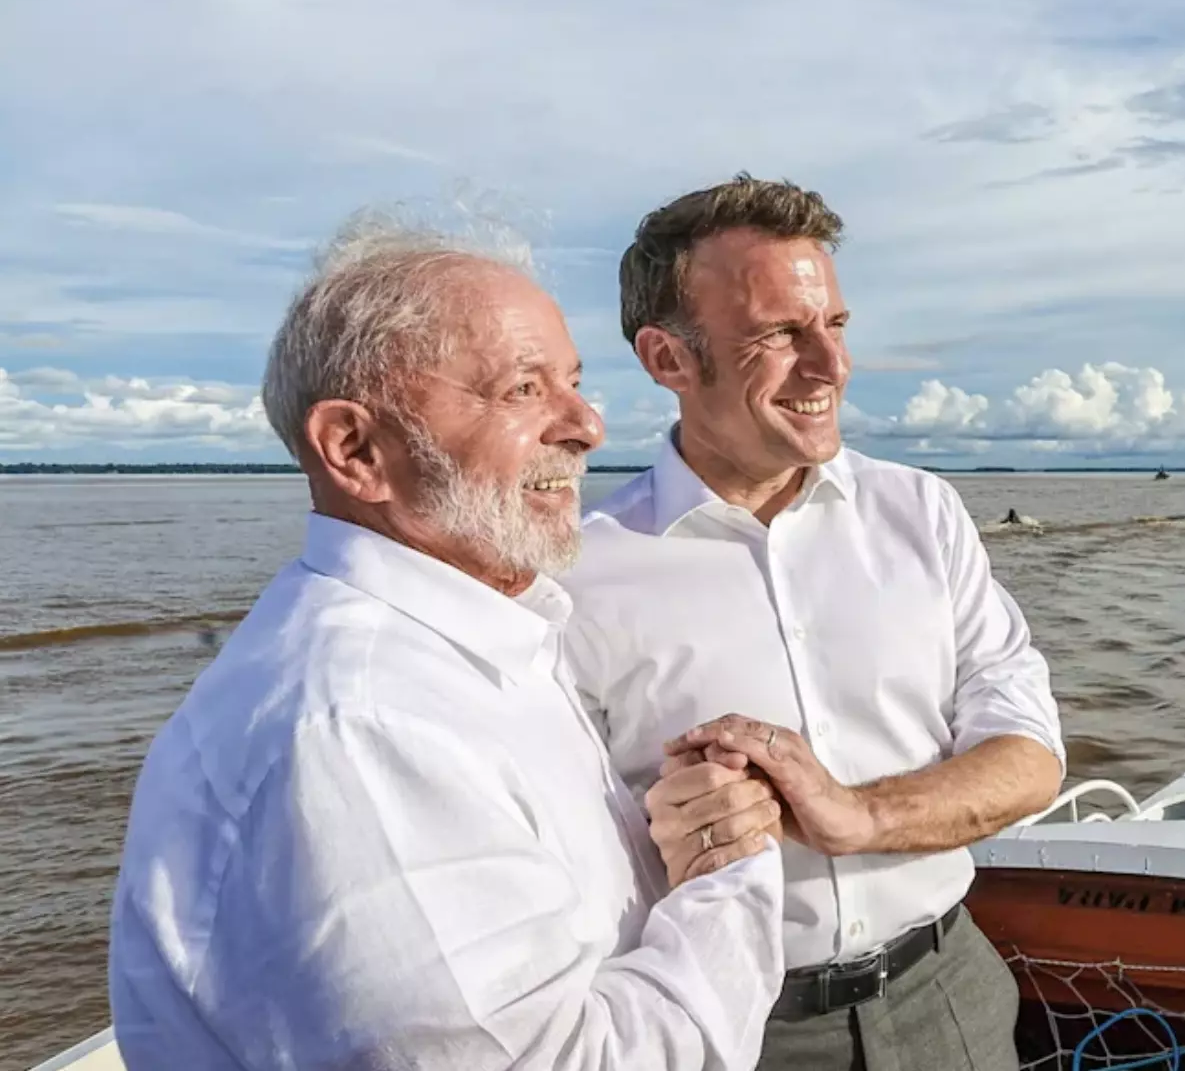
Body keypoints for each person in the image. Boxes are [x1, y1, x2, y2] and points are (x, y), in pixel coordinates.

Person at [109, 213, 788, 1070]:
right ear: (355, 449)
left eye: (574, 383)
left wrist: (666, 833)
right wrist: (729, 875)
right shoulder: (362, 730)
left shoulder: (469, 647)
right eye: (522, 389)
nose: (587, 425)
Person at [566, 176, 1064, 1071]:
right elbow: (544, 839)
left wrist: (856, 815)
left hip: (950, 993)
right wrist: (661, 828)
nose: (831, 366)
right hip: (732, 1031)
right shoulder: (574, 572)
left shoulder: (923, 514)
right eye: (779, 335)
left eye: (834, 324)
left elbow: (1031, 756)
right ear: (667, 359)